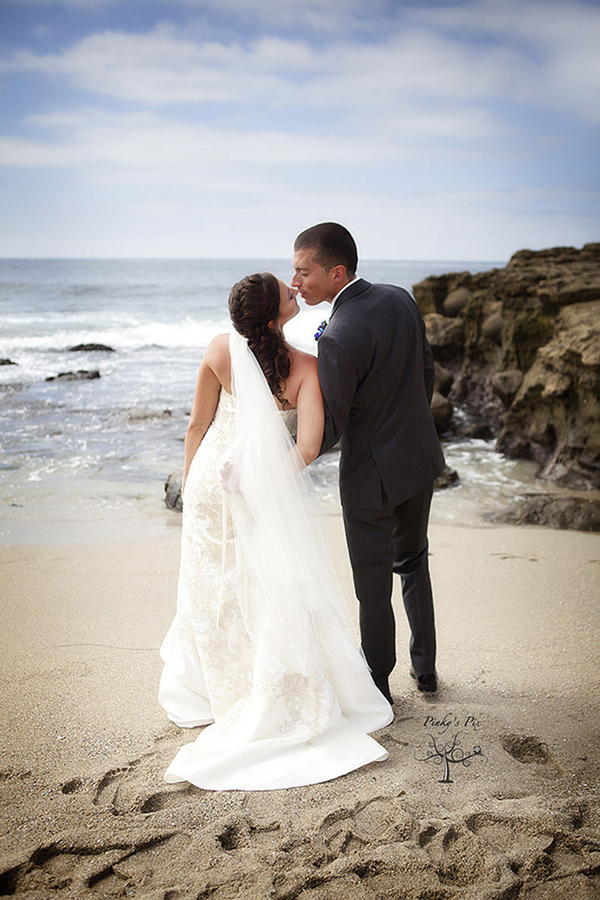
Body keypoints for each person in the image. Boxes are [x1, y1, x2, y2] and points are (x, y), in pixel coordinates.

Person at [158, 272, 393, 791]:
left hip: (208, 484)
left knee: (210, 586)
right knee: (265, 586)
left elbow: (197, 425)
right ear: (276, 316)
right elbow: (307, 448)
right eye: (289, 294)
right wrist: (263, 483)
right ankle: (263, 686)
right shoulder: (307, 368)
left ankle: (212, 692)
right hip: (252, 491)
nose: (295, 290)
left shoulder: (221, 349)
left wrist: (195, 482)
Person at [292, 224, 445, 704]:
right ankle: (426, 671)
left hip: (369, 480)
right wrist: (408, 425)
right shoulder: (400, 298)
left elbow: (330, 429)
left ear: (336, 273)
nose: (295, 281)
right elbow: (427, 374)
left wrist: (285, 422)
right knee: (414, 561)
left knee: (372, 589)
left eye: (303, 271)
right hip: (419, 459)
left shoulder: (336, 336)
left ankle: (378, 688)